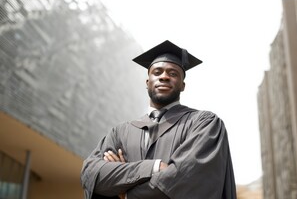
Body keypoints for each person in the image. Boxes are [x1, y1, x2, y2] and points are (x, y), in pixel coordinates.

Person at [80, 40, 237, 198]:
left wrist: (125, 190)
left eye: (173, 73)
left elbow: (187, 180)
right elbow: (91, 174)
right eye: (157, 72)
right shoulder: (120, 133)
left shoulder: (204, 124)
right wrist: (153, 167)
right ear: (147, 83)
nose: (164, 77)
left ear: (183, 85)